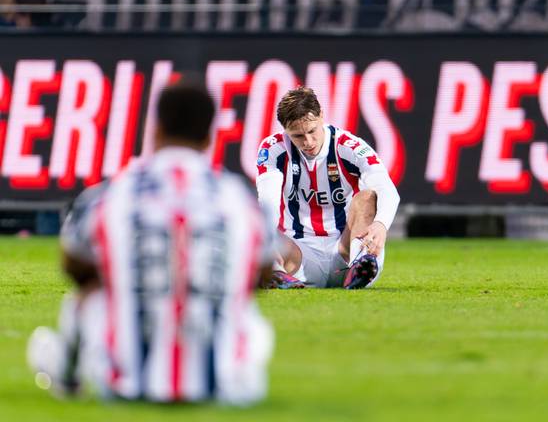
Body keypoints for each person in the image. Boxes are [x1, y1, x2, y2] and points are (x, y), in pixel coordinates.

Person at [27, 79, 276, 404]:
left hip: (124, 384)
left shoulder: (111, 194)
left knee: (83, 297)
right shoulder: (239, 199)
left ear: (155, 129)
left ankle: (70, 377)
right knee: (246, 309)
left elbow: (74, 265)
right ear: (208, 137)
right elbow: (263, 273)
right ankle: (223, 363)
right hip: (233, 389)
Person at [256, 86, 400, 289]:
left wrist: (381, 225)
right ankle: (278, 273)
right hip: (299, 255)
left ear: (321, 116)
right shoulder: (273, 149)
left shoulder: (349, 146)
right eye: (297, 136)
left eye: (312, 131)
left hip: (345, 249)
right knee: (261, 221)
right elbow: (267, 200)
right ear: (284, 129)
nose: (308, 142)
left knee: (367, 197)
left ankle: (361, 263)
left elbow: (387, 189)